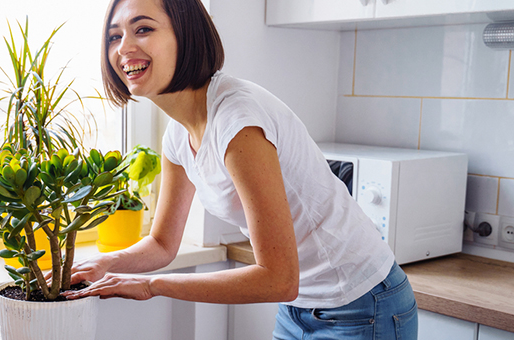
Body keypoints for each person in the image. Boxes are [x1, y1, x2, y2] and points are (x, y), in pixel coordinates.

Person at [62, 0, 418, 338]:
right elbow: (162, 243)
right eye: (114, 35)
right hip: (300, 304)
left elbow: (278, 278)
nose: (124, 47)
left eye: (142, 29)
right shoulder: (178, 134)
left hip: (362, 303)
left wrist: (152, 286)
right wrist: (104, 264)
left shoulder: (237, 122)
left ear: (186, 35)